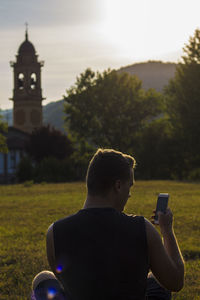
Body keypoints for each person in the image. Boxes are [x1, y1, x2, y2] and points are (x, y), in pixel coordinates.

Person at [46, 148, 185, 300]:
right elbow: (176, 281)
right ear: (118, 186)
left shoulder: (54, 232)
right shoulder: (142, 228)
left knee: (43, 278)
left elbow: (65, 282)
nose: (129, 194)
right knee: (155, 281)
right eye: (129, 186)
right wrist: (167, 230)